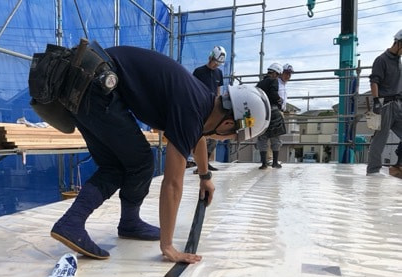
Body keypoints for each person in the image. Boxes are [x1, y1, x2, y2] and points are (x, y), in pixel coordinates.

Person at [29, 40, 270, 263]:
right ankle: (93, 222)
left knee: (116, 165)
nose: (226, 139)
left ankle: (97, 222)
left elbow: (196, 137)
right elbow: (172, 183)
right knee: (141, 161)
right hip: (96, 84)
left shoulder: (201, 102)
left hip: (85, 80)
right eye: (231, 137)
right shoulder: (193, 108)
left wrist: (205, 177)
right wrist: (168, 246)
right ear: (228, 124)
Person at [367, 29, 402, 176]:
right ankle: (373, 170)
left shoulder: (399, 61)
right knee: (380, 138)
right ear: (398, 43)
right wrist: (376, 101)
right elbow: (374, 81)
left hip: (398, 104)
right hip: (385, 105)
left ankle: (398, 165)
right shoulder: (381, 60)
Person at [192, 46, 226, 172]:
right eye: (215, 62)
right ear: (210, 57)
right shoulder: (199, 72)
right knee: (200, 136)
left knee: (214, 135)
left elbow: (218, 90)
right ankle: (200, 165)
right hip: (201, 107)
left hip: (213, 108)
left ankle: (206, 162)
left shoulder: (219, 73)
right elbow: (193, 88)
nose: (216, 65)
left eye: (218, 64)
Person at [255, 62, 286, 169]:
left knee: (262, 138)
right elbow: (273, 94)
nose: (278, 77)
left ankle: (264, 163)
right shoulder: (273, 81)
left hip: (261, 112)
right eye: (278, 75)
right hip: (273, 111)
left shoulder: (260, 83)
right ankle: (275, 163)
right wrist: (279, 100)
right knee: (275, 138)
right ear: (275, 73)